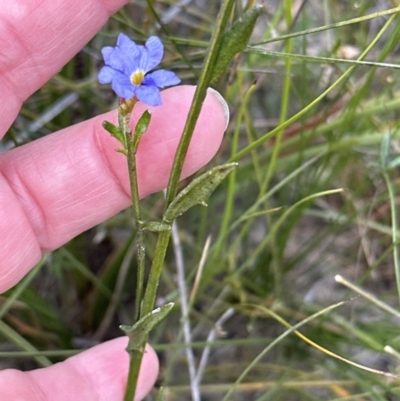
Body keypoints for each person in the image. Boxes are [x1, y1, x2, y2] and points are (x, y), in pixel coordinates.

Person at [0, 0, 229, 399]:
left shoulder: (143, 85)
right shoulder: (126, 81)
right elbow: (118, 68)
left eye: (142, 77)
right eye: (138, 78)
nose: (140, 79)